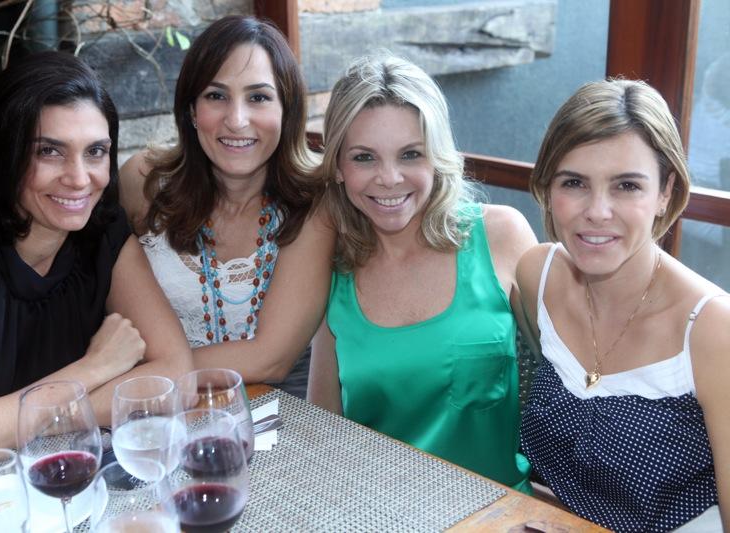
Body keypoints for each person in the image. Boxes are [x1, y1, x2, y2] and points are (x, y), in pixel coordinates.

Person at [0, 51, 193, 485]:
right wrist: (93, 369)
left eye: (96, 152)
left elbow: (177, 377)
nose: (79, 177)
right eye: (49, 151)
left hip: (74, 490)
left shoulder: (106, 237)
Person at [307, 54, 538, 493]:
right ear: (337, 166)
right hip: (375, 511)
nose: (389, 178)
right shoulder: (330, 267)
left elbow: (573, 373)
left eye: (410, 154)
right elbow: (324, 431)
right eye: (364, 157)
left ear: (437, 156)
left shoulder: (502, 236)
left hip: (501, 514)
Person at [518, 79, 729, 532]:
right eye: (574, 182)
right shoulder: (538, 276)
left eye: (627, 185)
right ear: (548, 189)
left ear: (665, 192)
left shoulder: (713, 329)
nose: (597, 211)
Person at [120, 16, 333, 392]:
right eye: (216, 96)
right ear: (191, 110)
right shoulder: (143, 182)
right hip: (159, 408)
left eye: (258, 97)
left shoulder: (314, 202)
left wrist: (144, 372)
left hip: (280, 410)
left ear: (286, 110)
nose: (236, 120)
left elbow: (271, 359)